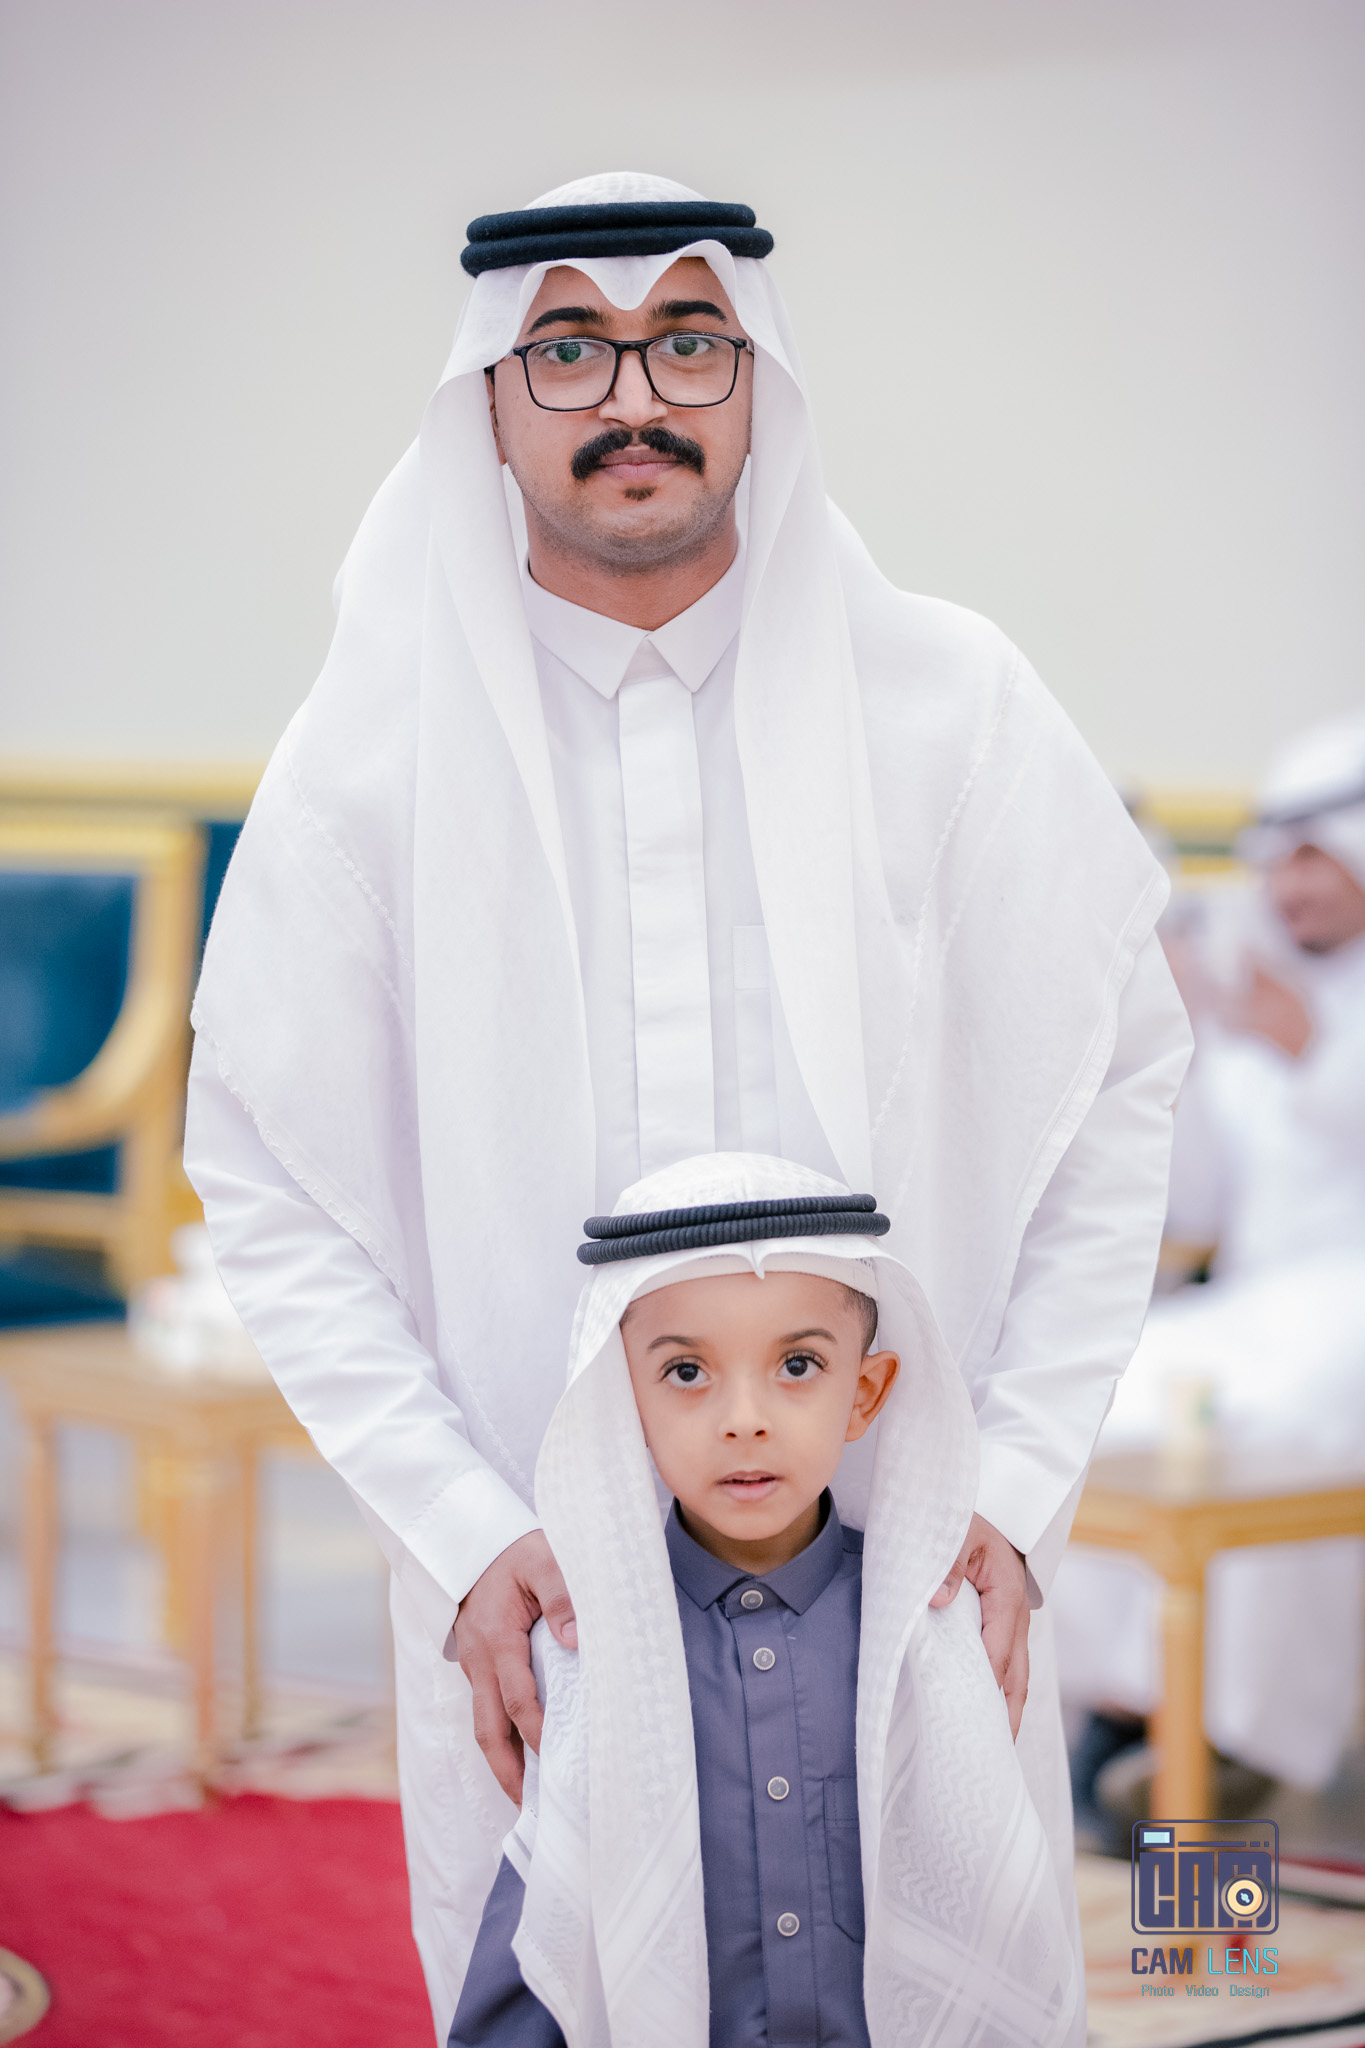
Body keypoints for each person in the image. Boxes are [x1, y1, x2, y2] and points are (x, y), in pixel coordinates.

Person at [184, 170, 1191, 2030]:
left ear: (757, 379)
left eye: (686, 343)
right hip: (539, 1569)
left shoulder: (951, 707)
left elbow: (1114, 1094)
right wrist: (461, 1531)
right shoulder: (367, 762)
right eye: (570, 347)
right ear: (491, 399)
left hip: (906, 1545)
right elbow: (270, 1181)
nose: (632, 395)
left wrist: (1010, 1483)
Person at [449, 1152, 1083, 2048]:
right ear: (624, 1402)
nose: (743, 1418)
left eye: (796, 1364)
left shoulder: (926, 1634)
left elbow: (987, 1931)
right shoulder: (586, 1650)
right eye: (685, 1372)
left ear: (864, 1393)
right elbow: (546, 1941)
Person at [1053, 708, 1365, 1807]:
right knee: (1106, 1385)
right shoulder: (1253, 997)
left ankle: (1245, 1738)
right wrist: (1171, 1051)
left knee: (1282, 1419)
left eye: (1317, 861)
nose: (1291, 888)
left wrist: (1310, 1052)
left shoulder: (1298, 1017)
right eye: (1280, 863)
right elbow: (1195, 1201)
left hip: (1346, 1312)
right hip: (1261, 1301)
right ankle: (1122, 1702)